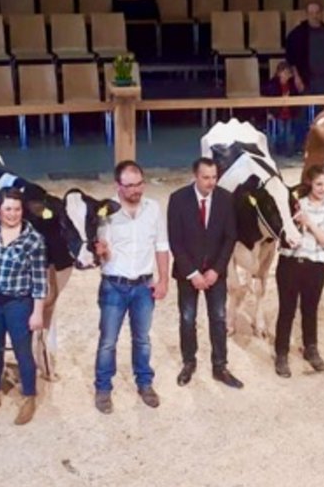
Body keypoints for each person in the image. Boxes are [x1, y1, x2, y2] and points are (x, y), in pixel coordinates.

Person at [92, 160, 170, 414]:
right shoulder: (106, 211)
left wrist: (164, 280)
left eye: (139, 184)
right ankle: (103, 388)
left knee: (143, 339)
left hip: (144, 286)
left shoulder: (153, 208)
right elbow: (102, 251)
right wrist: (100, 251)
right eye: (130, 186)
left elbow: (161, 246)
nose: (136, 190)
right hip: (114, 285)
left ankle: (145, 383)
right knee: (108, 341)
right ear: (118, 185)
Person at [0, 188, 48, 425]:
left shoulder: (33, 240)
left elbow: (40, 280)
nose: (12, 214)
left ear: (22, 211)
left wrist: (37, 312)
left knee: (22, 350)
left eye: (17, 209)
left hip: (18, 302)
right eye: (8, 209)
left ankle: (29, 396)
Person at [168, 158, 239, 389]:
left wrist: (216, 270)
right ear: (195, 176)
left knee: (218, 318)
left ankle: (220, 366)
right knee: (187, 319)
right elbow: (175, 241)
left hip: (215, 273)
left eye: (214, 177)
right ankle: (189, 362)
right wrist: (192, 273)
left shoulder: (226, 199)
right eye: (206, 177)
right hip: (188, 273)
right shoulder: (178, 199)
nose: (211, 182)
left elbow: (230, 237)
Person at [274, 165, 324, 377]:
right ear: (310, 183)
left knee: (310, 310)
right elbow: (281, 235)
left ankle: (311, 349)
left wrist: (308, 223)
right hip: (290, 263)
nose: (323, 189)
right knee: (286, 310)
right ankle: (281, 353)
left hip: (315, 266)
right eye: (319, 184)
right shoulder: (295, 204)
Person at [283, 2, 324, 155]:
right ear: (307, 14)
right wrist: (296, 77)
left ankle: (320, 145)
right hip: (304, 79)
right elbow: (291, 58)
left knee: (321, 114)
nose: (314, 16)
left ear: (321, 13)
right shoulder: (298, 33)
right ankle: (299, 145)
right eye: (311, 13)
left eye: (317, 12)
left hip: (323, 78)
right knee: (301, 113)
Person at [262, 61, 304, 154]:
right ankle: (279, 151)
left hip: (289, 113)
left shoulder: (291, 84)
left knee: (289, 133)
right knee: (280, 133)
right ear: (279, 73)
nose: (286, 75)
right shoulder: (273, 84)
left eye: (288, 73)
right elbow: (269, 97)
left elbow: (298, 93)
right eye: (284, 72)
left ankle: (288, 152)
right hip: (278, 113)